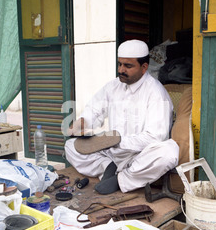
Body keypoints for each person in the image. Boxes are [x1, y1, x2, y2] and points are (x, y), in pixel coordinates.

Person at [65, 39, 179, 194]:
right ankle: (107, 168)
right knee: (71, 146)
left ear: (144, 67)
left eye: (128, 66)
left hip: (139, 157)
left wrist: (117, 142)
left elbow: (155, 137)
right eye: (120, 64)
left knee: (168, 154)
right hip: (111, 153)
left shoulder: (157, 94)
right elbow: (94, 110)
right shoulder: (113, 86)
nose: (121, 69)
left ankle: (121, 180)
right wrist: (83, 123)